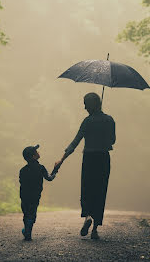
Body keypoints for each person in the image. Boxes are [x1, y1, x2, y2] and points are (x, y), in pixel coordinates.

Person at [54, 92, 115, 240]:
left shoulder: (87, 121)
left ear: (92, 105)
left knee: (87, 189)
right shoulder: (109, 120)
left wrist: (61, 160)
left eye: (86, 104)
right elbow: (112, 141)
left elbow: (75, 142)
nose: (84, 107)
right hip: (103, 158)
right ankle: (95, 229)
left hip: (89, 158)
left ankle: (87, 216)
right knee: (100, 191)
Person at [19, 144, 57, 240]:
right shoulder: (41, 168)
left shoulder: (22, 170)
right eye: (36, 152)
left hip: (24, 196)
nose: (38, 152)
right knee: (32, 214)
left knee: (26, 213)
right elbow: (49, 178)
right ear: (33, 156)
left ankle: (26, 230)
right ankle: (28, 232)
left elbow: (21, 183)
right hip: (35, 195)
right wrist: (55, 169)